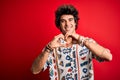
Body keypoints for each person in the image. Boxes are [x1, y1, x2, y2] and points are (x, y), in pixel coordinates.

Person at [31, 4, 112, 80]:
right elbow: (34, 70)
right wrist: (48, 49)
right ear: (59, 25)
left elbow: (108, 57)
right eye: (63, 21)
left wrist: (82, 40)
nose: (67, 24)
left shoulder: (87, 42)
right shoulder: (52, 45)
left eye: (70, 20)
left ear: (75, 22)